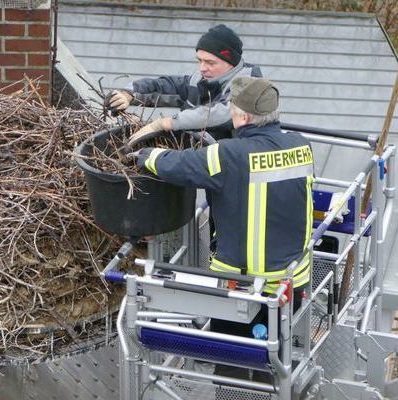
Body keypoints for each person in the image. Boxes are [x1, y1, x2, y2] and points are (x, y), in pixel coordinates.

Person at [131, 77, 313, 379]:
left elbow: (178, 166)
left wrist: (146, 156)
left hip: (243, 287)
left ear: (240, 116)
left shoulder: (229, 154)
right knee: (273, 354)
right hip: (292, 281)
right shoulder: (300, 145)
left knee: (232, 364)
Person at [106, 24, 262, 145]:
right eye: (199, 60)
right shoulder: (200, 80)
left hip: (241, 171)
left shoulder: (250, 84)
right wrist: (129, 94)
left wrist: (164, 123)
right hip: (204, 168)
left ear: (231, 63)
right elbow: (166, 87)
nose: (202, 68)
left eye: (210, 62)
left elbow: (221, 114)